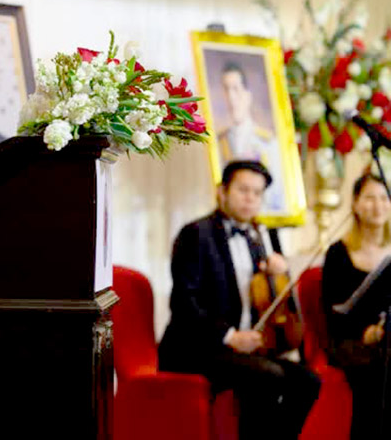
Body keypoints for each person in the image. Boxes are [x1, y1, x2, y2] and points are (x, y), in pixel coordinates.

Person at [158, 160, 321, 440]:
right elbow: (184, 303)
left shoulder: (261, 236)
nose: (250, 199)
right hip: (197, 346)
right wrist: (230, 336)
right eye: (243, 190)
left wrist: (282, 272)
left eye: (257, 193)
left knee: (308, 381)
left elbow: (276, 298)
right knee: (267, 376)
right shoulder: (196, 234)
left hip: (244, 349)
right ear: (222, 191)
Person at [322, 172, 391, 439]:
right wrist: (366, 332)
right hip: (349, 342)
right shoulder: (338, 253)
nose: (378, 205)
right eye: (370, 198)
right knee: (380, 370)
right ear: (355, 204)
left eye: (384, 198)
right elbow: (333, 315)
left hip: (386, 338)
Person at [216, 62, 285, 211]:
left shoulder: (268, 142)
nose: (231, 98)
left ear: (248, 95)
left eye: (236, 89)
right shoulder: (218, 142)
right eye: (227, 90)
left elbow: (277, 195)